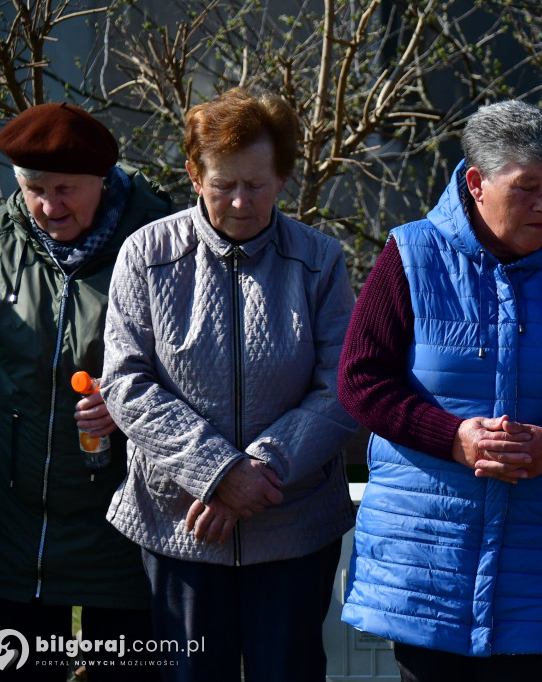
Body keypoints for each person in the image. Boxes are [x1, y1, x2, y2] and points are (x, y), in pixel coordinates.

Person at [338, 100, 542, 682]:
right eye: (527, 187)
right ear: (477, 183)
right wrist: (452, 436)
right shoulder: (411, 254)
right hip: (426, 555)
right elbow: (360, 379)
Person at [100, 88, 357, 682]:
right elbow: (125, 380)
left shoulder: (319, 260)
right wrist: (217, 474)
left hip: (290, 526)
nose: (241, 201)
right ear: (194, 174)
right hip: (181, 524)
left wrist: (256, 474)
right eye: (223, 184)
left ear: (284, 178)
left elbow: (343, 385)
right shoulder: (147, 254)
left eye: (257, 184)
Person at [0, 102, 173, 681]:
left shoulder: (162, 244)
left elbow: (199, 374)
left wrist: (132, 399)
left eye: (66, 189)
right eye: (34, 188)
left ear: (104, 180)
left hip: (124, 532)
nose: (48, 206)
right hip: (5, 536)